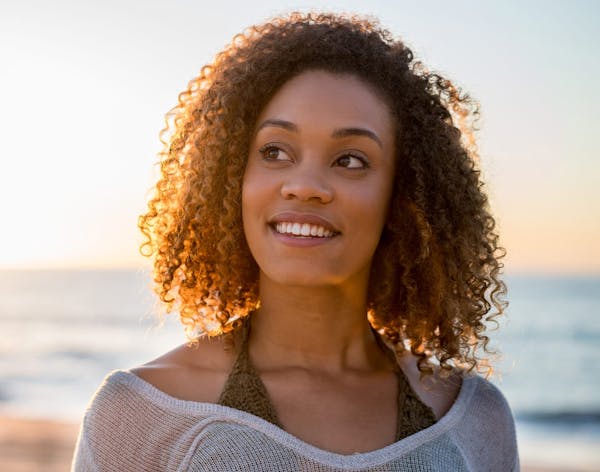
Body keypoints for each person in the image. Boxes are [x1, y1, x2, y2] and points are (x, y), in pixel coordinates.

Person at [72, 12, 519, 471]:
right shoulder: (139, 412)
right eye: (275, 152)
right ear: (233, 179)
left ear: (402, 196)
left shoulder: (474, 418)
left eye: (350, 160)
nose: (304, 185)